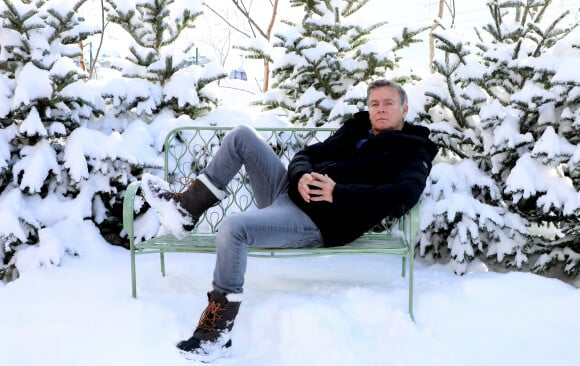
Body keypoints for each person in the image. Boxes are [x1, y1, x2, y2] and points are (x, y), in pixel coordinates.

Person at [141, 79, 438, 361]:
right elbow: (307, 153)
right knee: (241, 136)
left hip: (313, 221)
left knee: (233, 228)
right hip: (288, 192)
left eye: (388, 103)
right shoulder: (357, 129)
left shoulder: (414, 150)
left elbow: (404, 195)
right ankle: (185, 210)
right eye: (374, 103)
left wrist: (338, 193)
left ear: (404, 109)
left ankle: (216, 334)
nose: (380, 109)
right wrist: (299, 176)